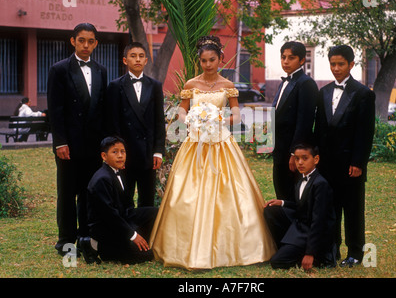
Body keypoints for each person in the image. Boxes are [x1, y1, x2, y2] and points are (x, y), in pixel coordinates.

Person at [149, 35, 276, 269]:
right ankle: (184, 246)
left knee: (230, 192)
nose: (208, 64)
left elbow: (237, 115)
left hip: (221, 142)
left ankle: (235, 247)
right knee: (187, 193)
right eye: (204, 60)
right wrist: (193, 121)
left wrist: (218, 118)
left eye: (212, 60)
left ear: (220, 59)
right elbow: (181, 113)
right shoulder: (190, 85)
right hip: (195, 143)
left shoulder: (228, 86)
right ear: (199, 61)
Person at [47, 23, 108, 257]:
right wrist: (60, 142)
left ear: (95, 44)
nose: (85, 45)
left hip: (94, 145)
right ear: (73, 41)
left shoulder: (102, 70)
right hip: (68, 145)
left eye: (90, 41)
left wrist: (105, 145)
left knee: (88, 191)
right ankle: (66, 240)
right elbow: (56, 109)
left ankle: (86, 235)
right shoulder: (59, 69)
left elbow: (101, 108)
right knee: (67, 192)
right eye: (81, 40)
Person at [314, 45, 375, 267]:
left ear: (351, 64)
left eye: (341, 64)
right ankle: (331, 249)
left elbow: (365, 132)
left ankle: (356, 253)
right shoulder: (324, 92)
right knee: (329, 208)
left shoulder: (363, 94)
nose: (336, 68)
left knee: (353, 209)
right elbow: (320, 127)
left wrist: (358, 162)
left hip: (350, 164)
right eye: (332, 64)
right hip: (327, 164)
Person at [81, 136, 158, 264]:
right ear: (104, 156)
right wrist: (133, 235)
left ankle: (139, 241)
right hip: (107, 229)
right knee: (146, 255)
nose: (120, 156)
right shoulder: (101, 180)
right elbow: (110, 216)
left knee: (155, 213)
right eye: (115, 152)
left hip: (122, 218)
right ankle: (95, 245)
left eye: (123, 151)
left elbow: (126, 205)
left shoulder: (118, 171)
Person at [106, 42, 165, 207]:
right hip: (125, 153)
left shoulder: (155, 86)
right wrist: (117, 152)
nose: (137, 60)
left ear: (146, 60)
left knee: (147, 199)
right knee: (124, 198)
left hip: (148, 153)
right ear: (125, 60)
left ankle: (145, 232)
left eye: (141, 56)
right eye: (133, 56)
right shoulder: (115, 86)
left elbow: (159, 121)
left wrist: (158, 151)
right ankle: (127, 232)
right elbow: (113, 123)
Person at [264, 144, 336, 271]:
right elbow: (301, 206)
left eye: (305, 158)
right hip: (300, 227)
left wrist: (310, 253)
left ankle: (318, 257)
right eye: (297, 159)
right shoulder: (300, 180)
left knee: (277, 262)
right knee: (271, 210)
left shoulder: (320, 184)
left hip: (312, 233)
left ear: (316, 159)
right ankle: (288, 247)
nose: (300, 163)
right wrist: (282, 202)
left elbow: (319, 222)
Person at [272, 41, 318, 201]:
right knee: (281, 194)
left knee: (293, 196)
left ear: (302, 60)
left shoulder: (306, 84)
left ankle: (296, 226)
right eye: (283, 57)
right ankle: (285, 226)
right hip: (278, 150)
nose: (285, 61)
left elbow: (304, 122)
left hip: (292, 151)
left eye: (291, 58)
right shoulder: (283, 83)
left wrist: (295, 154)